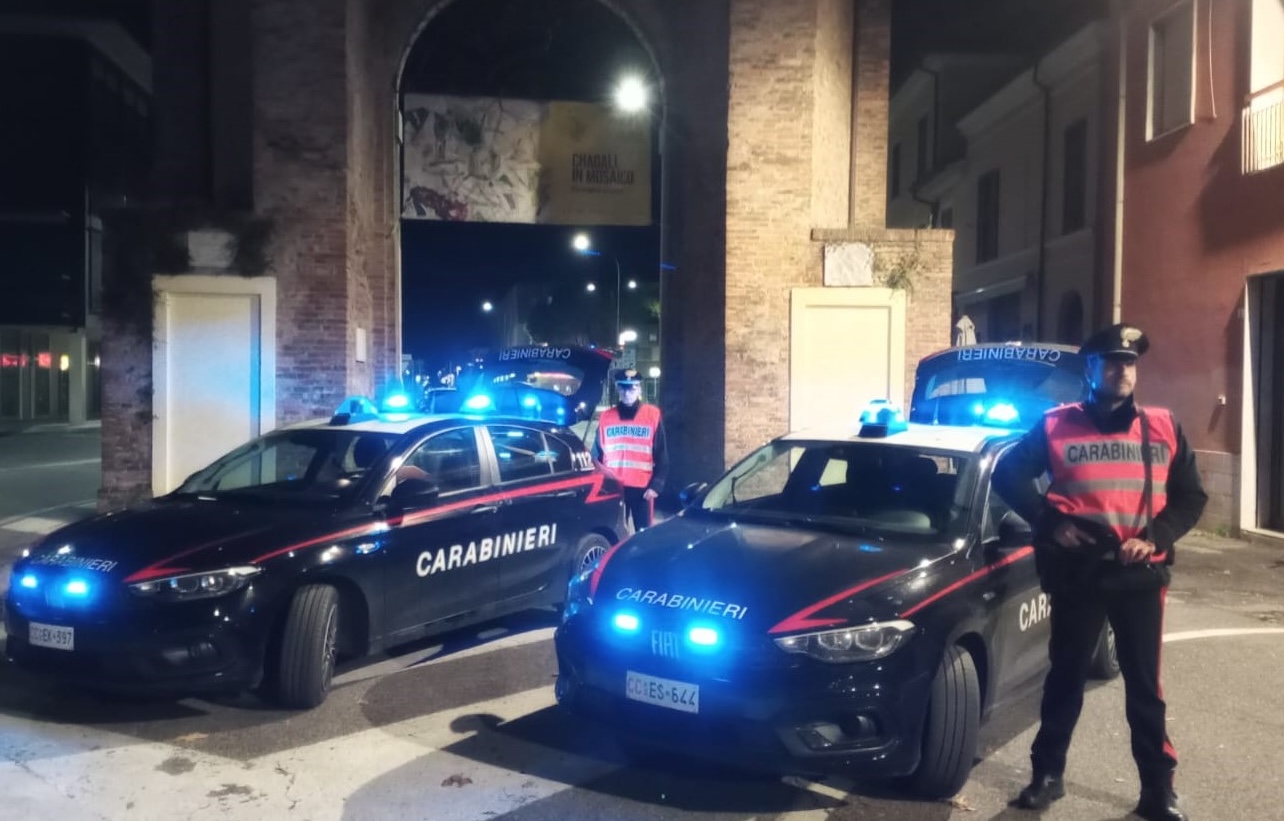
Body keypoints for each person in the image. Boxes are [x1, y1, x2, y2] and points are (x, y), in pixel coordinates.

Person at [991, 323, 1207, 821]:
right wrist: (1050, 523)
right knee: (1064, 679)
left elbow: (1191, 496)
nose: (1121, 371)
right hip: (1078, 573)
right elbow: (1008, 474)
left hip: (1139, 576)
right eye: (1110, 362)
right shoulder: (1055, 424)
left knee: (1145, 690)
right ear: (1089, 369)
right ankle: (1047, 776)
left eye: (1129, 363)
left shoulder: (1163, 425)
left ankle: (1158, 790)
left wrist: (1155, 537)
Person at [592, 368, 669, 532]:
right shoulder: (606, 417)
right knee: (615, 532)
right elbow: (597, 456)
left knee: (644, 534)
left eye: (632, 389)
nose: (627, 393)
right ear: (618, 389)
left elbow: (661, 454)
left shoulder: (652, 415)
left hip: (643, 489)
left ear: (639, 389)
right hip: (613, 487)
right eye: (623, 388)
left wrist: (656, 486)